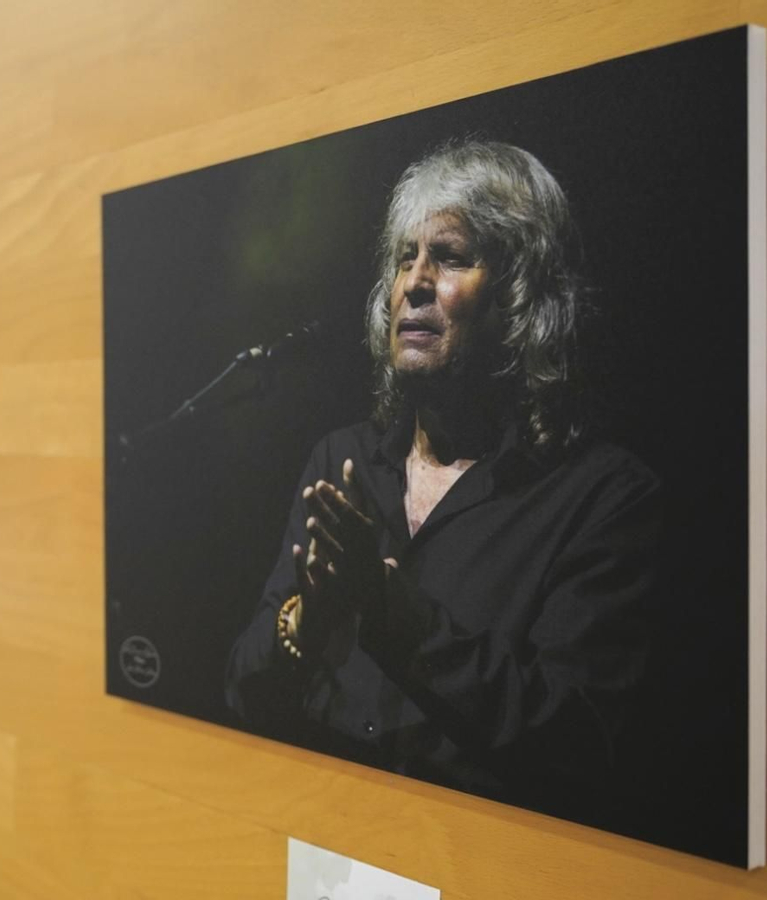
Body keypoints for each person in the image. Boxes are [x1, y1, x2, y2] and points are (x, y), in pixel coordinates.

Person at [226, 140, 662, 824]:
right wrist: (309, 618)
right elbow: (244, 690)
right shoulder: (341, 463)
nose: (414, 283)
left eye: (451, 257)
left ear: (520, 298)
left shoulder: (602, 499)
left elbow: (579, 743)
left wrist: (397, 618)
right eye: (405, 258)